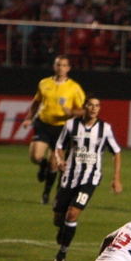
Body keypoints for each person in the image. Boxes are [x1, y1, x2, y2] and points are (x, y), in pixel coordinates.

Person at [52, 95, 122, 261]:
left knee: (73, 213)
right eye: (90, 105)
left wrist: (116, 178)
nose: (93, 108)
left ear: (99, 109)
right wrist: (60, 159)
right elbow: (59, 146)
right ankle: (63, 228)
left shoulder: (105, 128)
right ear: (84, 107)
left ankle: (62, 252)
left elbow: (116, 152)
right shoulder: (71, 125)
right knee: (58, 219)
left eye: (97, 105)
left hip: (91, 178)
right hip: (69, 176)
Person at [21, 55, 85, 204]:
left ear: (68, 68)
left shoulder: (74, 87)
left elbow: (83, 110)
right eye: (58, 64)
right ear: (54, 66)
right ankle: (41, 165)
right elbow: (36, 102)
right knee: (35, 157)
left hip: (62, 128)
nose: (60, 67)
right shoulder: (44, 83)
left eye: (64, 65)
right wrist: (29, 118)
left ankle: (46, 193)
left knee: (54, 163)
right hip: (43, 124)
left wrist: (71, 112)